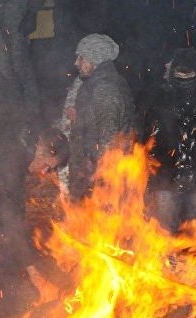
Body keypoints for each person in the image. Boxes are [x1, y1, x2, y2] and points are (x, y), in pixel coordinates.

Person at [142, 48, 196, 231]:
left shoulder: (161, 97)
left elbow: (149, 138)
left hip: (166, 177)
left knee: (165, 234)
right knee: (194, 234)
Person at [68, 33, 136, 200]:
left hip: (100, 173)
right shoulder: (95, 84)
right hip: (91, 168)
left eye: (81, 58)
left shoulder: (105, 88)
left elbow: (109, 137)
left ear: (94, 59)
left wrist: (101, 177)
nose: (76, 63)